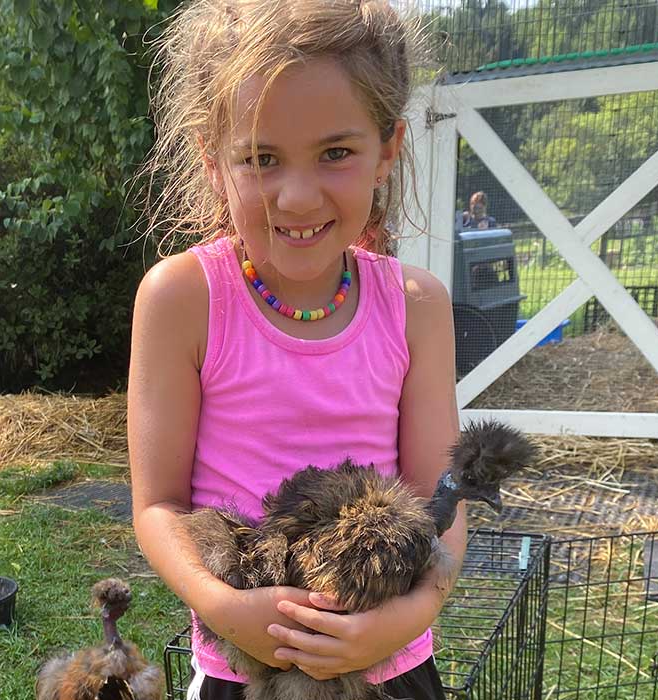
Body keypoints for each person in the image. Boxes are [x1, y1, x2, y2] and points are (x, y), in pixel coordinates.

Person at [127, 2, 459, 698]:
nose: (298, 196)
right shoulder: (183, 299)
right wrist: (225, 610)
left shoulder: (417, 307)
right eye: (261, 158)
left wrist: (409, 615)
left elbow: (445, 500)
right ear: (212, 160)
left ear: (388, 147)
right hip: (243, 673)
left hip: (392, 672)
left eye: (336, 153)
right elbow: (157, 506)